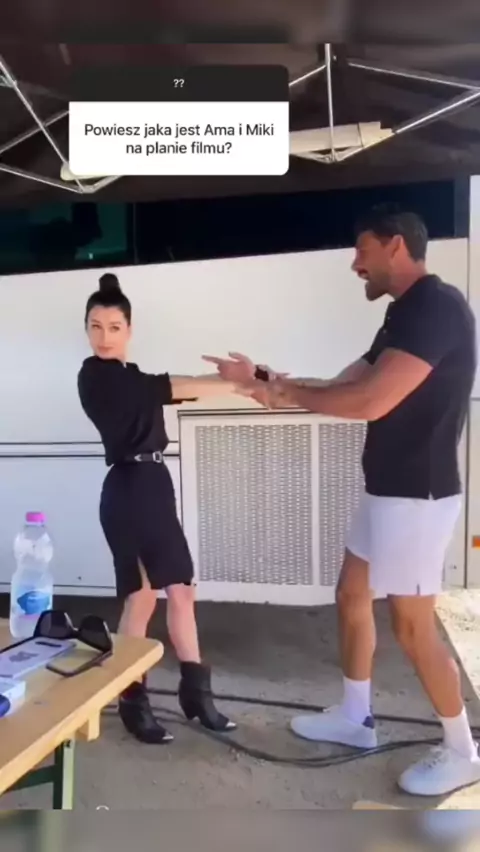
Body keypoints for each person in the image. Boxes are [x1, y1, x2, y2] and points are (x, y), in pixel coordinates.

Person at [205, 204, 480, 797]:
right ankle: (356, 718)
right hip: (386, 489)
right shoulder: (403, 313)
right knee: (352, 594)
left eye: (363, 250)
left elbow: (371, 401)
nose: (356, 264)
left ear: (396, 245)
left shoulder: (436, 308)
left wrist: (284, 394)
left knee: (413, 627)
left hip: (418, 496)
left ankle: (462, 750)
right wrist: (266, 382)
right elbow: (345, 383)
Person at [78, 272, 237, 744]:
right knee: (142, 597)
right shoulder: (97, 376)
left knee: (181, 590)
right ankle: (132, 699)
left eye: (114, 327)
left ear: (129, 330)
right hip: (129, 488)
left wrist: (248, 383)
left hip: (153, 484)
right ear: (86, 331)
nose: (104, 336)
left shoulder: (132, 377)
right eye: (95, 326)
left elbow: (183, 388)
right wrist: (243, 383)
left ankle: (196, 695)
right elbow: (174, 386)